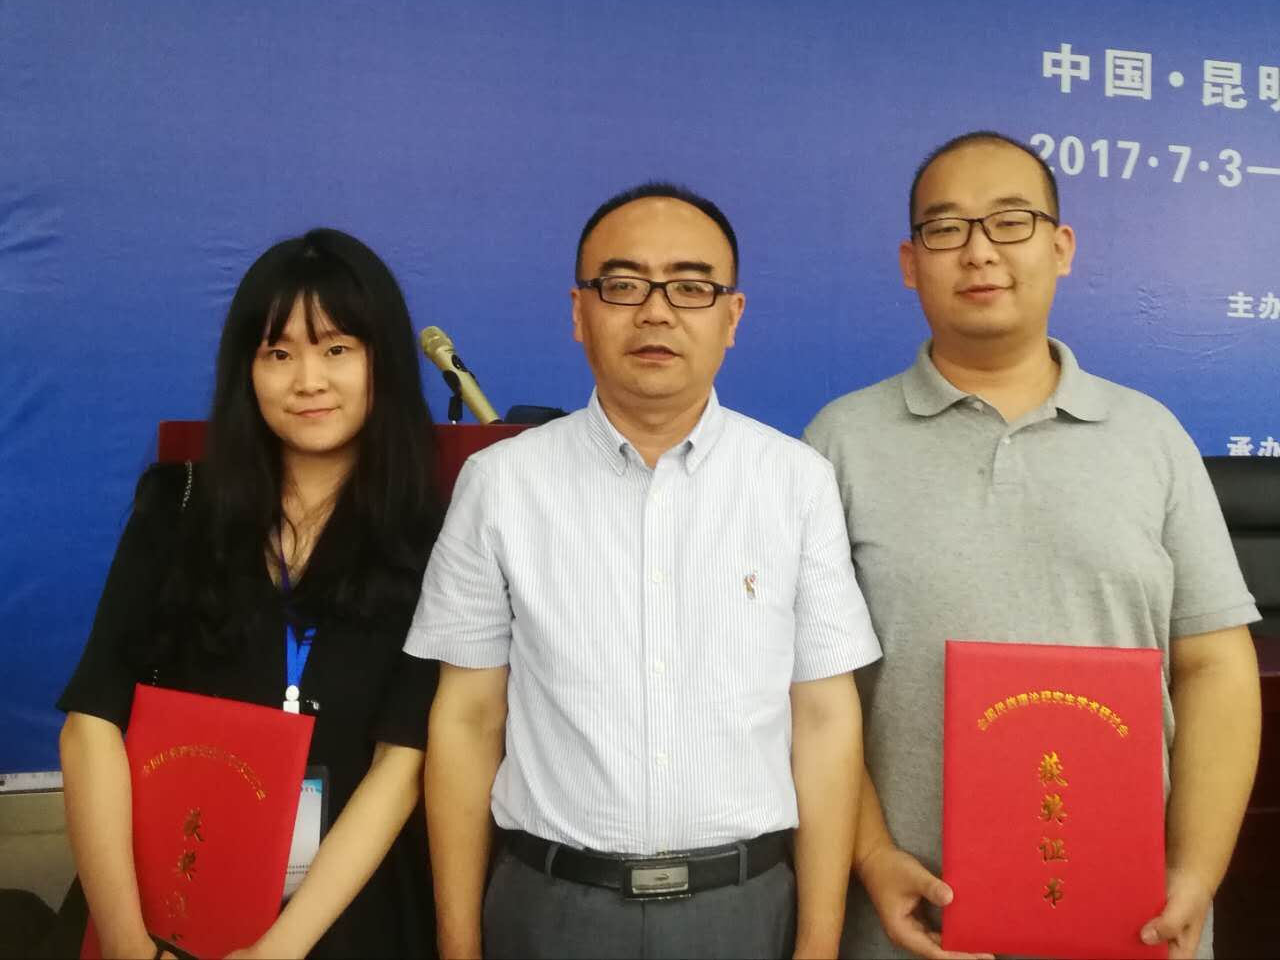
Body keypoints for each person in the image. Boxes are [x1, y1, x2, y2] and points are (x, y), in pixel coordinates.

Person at [804, 132, 1262, 960]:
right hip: (915, 922)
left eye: (1011, 222)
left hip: (1131, 918)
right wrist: (870, 856)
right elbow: (812, 687)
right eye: (947, 228)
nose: (979, 252)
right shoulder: (840, 442)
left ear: (1061, 247)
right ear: (910, 262)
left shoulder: (1152, 436)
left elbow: (1216, 668)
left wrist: (1195, 871)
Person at [406, 182, 881, 960]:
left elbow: (826, 721)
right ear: (579, 312)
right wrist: (458, 947)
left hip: (745, 911)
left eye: (691, 287)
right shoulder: (501, 484)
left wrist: (819, 946)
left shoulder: (795, 482)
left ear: (732, 316)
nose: (656, 312)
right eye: (623, 285)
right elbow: (467, 720)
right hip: (549, 909)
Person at [58, 229, 443, 959]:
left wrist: (278, 951)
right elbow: (91, 725)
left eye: (336, 349)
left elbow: (402, 763)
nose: (308, 381)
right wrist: (130, 944)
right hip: (170, 893)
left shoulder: (432, 540)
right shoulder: (177, 508)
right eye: (278, 353)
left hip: (347, 910)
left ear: (383, 363)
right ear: (246, 370)